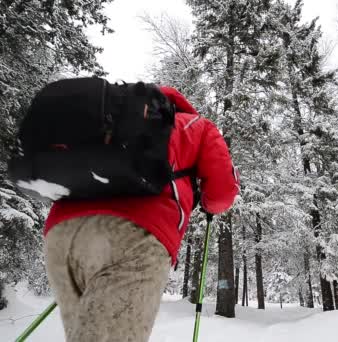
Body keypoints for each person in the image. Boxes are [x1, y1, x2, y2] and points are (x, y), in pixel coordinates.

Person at [42, 86, 239, 342]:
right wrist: (205, 202)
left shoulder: (104, 121)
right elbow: (222, 193)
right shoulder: (195, 125)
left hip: (61, 235)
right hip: (133, 238)